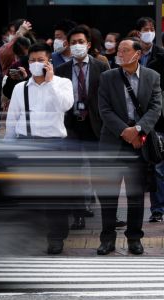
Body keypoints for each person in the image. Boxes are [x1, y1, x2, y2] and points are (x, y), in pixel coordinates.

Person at [5, 42, 74, 254]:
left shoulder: (62, 83)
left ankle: (56, 237)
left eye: (40, 60)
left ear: (49, 62)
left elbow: (65, 105)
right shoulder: (20, 88)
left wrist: (51, 81)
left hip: (54, 145)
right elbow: (12, 118)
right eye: (32, 60)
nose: (36, 64)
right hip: (27, 144)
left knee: (56, 195)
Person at [96, 37, 162, 255]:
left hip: (139, 144)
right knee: (108, 195)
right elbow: (104, 109)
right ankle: (107, 239)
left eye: (125, 51)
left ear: (138, 54)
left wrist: (139, 130)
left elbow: (155, 107)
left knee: (135, 195)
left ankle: (134, 238)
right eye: (120, 51)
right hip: (113, 141)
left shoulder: (152, 77)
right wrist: (125, 131)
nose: (120, 54)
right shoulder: (107, 77)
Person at [55, 25, 109, 231]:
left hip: (95, 125)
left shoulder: (101, 67)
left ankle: (107, 216)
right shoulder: (60, 70)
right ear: (68, 46)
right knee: (75, 174)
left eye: (81, 42)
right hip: (71, 126)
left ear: (88, 44)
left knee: (99, 173)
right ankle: (79, 214)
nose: (77, 46)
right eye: (73, 42)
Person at [136, 17, 164, 223]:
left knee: (158, 166)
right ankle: (156, 208)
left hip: (158, 117)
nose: (149, 33)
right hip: (142, 118)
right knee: (154, 165)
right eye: (145, 30)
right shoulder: (134, 53)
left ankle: (158, 207)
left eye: (152, 29)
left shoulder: (158, 56)